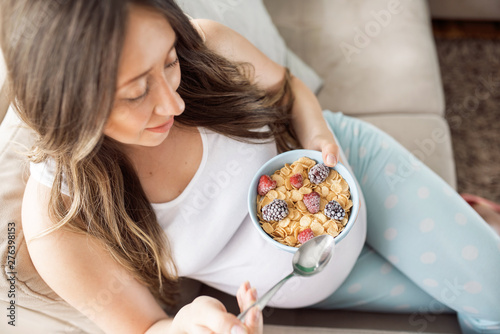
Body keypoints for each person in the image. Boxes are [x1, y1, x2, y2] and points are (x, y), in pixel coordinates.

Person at [1, 1, 499, 333]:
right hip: (327, 280)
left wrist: (320, 135)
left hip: (359, 172)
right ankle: (470, 220)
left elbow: (287, 90)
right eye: (136, 93)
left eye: (170, 62)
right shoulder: (60, 222)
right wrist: (189, 321)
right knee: (463, 298)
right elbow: (148, 328)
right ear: (66, 105)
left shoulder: (208, 44)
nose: (173, 105)